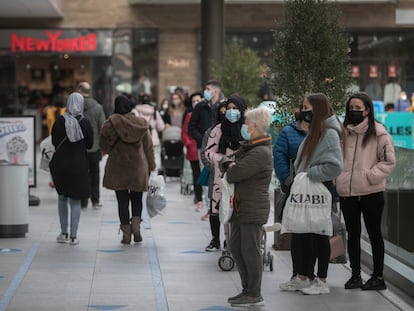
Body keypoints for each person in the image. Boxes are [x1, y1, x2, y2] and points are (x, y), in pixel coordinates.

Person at [336, 92, 395, 291]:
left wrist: (369, 176)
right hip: (347, 193)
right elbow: (336, 159)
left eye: (357, 109)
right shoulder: (343, 132)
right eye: (350, 108)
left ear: (367, 110)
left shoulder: (379, 132)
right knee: (352, 234)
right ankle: (355, 275)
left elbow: (388, 162)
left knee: (374, 234)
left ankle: (378, 276)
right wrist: (338, 179)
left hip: (372, 192)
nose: (353, 112)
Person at [292, 93, 345, 295]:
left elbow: (335, 165)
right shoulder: (316, 131)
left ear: (318, 108)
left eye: (307, 107)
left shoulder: (329, 133)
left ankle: (322, 280)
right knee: (306, 232)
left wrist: (311, 174)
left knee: (320, 234)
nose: (304, 110)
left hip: (319, 188)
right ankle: (305, 276)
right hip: (309, 189)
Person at [224, 107, 273, 307]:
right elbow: (228, 161)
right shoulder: (249, 147)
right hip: (240, 207)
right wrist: (229, 164)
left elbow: (234, 173)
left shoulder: (260, 152)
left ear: (254, 126)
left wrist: (230, 166)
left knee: (250, 251)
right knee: (236, 246)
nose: (243, 126)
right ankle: (246, 289)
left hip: (252, 208)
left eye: (246, 123)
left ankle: (254, 292)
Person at [100, 95, 156, 244]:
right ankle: (136, 228)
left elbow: (104, 146)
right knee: (137, 199)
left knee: (122, 201)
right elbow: (148, 148)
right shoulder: (141, 124)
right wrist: (152, 167)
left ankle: (126, 235)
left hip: (118, 168)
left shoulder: (110, 124)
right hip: (138, 167)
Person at [50, 92, 93, 245]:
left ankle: (63, 233)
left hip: (61, 165)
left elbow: (54, 141)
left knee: (62, 198)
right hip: (78, 165)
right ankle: (74, 236)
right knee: (75, 200)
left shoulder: (60, 121)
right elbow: (90, 144)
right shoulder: (85, 122)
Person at [273, 104, 308, 291]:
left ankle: (316, 276)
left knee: (317, 234)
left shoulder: (325, 131)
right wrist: (287, 180)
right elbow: (278, 155)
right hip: (295, 189)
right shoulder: (288, 132)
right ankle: (298, 274)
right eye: (302, 107)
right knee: (298, 232)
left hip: (318, 190)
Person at [204, 96, 246, 251]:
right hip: (220, 176)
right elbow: (208, 152)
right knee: (217, 207)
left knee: (235, 208)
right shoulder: (218, 129)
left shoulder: (246, 129)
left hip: (241, 175)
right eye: (229, 108)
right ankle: (216, 239)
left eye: (235, 108)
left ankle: (231, 241)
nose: (231, 111)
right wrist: (223, 160)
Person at [77, 82, 106, 209]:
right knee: (95, 173)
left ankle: (83, 200)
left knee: (81, 173)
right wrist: (103, 147)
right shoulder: (98, 107)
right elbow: (103, 127)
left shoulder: (74, 108)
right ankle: (95, 200)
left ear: (79, 90)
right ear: (90, 91)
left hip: (78, 147)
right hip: (94, 147)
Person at [199, 101, 227, 221]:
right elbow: (204, 153)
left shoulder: (239, 132)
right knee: (214, 207)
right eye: (222, 113)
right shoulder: (210, 132)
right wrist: (213, 168)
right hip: (214, 175)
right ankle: (215, 238)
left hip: (232, 174)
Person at [181, 91, 204, 210]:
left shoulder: (207, 113)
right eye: (193, 101)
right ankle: (199, 197)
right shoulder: (189, 115)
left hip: (206, 149)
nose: (196, 103)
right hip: (194, 149)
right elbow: (184, 132)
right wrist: (189, 144)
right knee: (196, 174)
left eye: (198, 101)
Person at [132, 93, 165, 170]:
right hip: (153, 139)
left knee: (141, 159)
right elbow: (161, 127)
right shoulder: (154, 111)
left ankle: (143, 178)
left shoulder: (135, 111)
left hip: (140, 139)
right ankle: (153, 175)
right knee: (155, 158)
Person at [188, 80, 223, 150]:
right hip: (203, 146)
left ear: (215, 91)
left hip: (220, 146)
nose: (205, 91)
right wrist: (201, 139)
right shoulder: (200, 106)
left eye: (208, 89)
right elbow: (192, 126)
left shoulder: (224, 106)